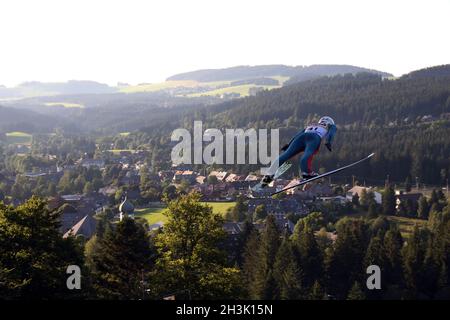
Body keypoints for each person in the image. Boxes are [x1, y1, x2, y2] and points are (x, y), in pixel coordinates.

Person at [261, 116, 337, 187]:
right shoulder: (330, 125)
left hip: (301, 137)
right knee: (307, 155)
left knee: (285, 155)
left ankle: (269, 175)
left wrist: (288, 144)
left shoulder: (312, 125)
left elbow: (298, 135)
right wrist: (328, 142)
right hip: (314, 137)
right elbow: (331, 132)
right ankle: (307, 173)